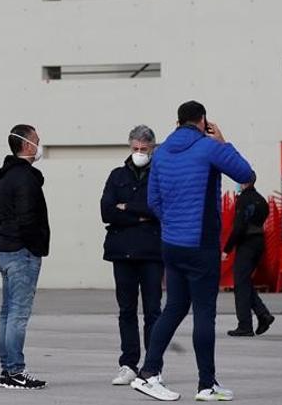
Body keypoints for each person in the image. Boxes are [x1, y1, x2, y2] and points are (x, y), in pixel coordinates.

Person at [131, 101, 256, 402]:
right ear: (203, 121)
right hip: (201, 244)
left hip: (172, 244)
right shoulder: (209, 147)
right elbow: (246, 174)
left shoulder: (160, 153)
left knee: (173, 307)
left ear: (177, 122)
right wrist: (223, 141)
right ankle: (205, 385)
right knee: (204, 314)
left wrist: (174, 223)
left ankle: (148, 372)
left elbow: (154, 201)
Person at [100, 126, 163, 385]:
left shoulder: (160, 175)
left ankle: (153, 366)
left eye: (144, 149)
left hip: (151, 253)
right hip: (122, 252)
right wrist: (141, 215)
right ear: (130, 146)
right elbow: (106, 211)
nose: (139, 153)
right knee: (126, 310)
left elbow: (161, 208)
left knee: (153, 312)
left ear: (152, 148)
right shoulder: (117, 175)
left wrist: (129, 208)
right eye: (135, 148)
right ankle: (128, 364)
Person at [0, 124, 51, 390]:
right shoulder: (25, 178)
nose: (39, 146)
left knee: (7, 313)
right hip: (20, 252)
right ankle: (16, 370)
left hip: (4, 248)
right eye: (37, 141)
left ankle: (8, 369)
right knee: (18, 314)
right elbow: (28, 218)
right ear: (27, 145)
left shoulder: (5, 176)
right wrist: (36, 246)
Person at [223, 178, 273, 337]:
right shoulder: (261, 200)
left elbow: (239, 227)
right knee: (244, 281)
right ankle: (263, 314)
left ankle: (245, 325)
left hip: (246, 244)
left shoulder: (243, 200)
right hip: (259, 242)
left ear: (244, 182)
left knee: (240, 284)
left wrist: (227, 249)